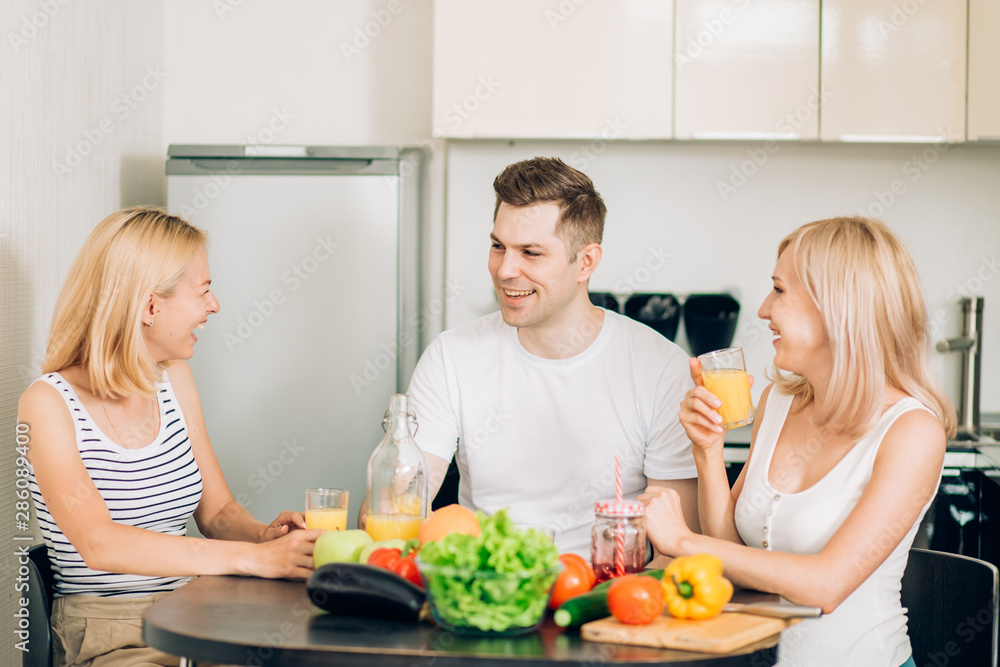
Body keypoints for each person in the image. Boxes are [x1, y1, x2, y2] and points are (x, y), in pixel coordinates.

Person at [641, 216, 954, 667]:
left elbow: (825, 587)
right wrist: (707, 450)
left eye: (780, 291)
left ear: (837, 306)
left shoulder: (911, 433)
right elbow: (735, 553)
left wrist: (681, 541)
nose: (763, 309)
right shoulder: (778, 401)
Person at [18, 207, 322, 667]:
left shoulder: (173, 380)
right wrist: (251, 560)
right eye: (204, 290)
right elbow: (99, 543)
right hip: (108, 635)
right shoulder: (47, 403)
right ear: (149, 307)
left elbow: (217, 512)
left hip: (193, 617)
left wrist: (266, 538)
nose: (214, 305)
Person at [395, 157, 699, 558]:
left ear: (585, 262)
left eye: (531, 253)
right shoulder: (452, 357)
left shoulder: (660, 368)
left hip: (607, 598)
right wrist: (391, 503)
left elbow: (676, 543)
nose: (505, 270)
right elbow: (398, 506)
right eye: (498, 246)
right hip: (489, 591)